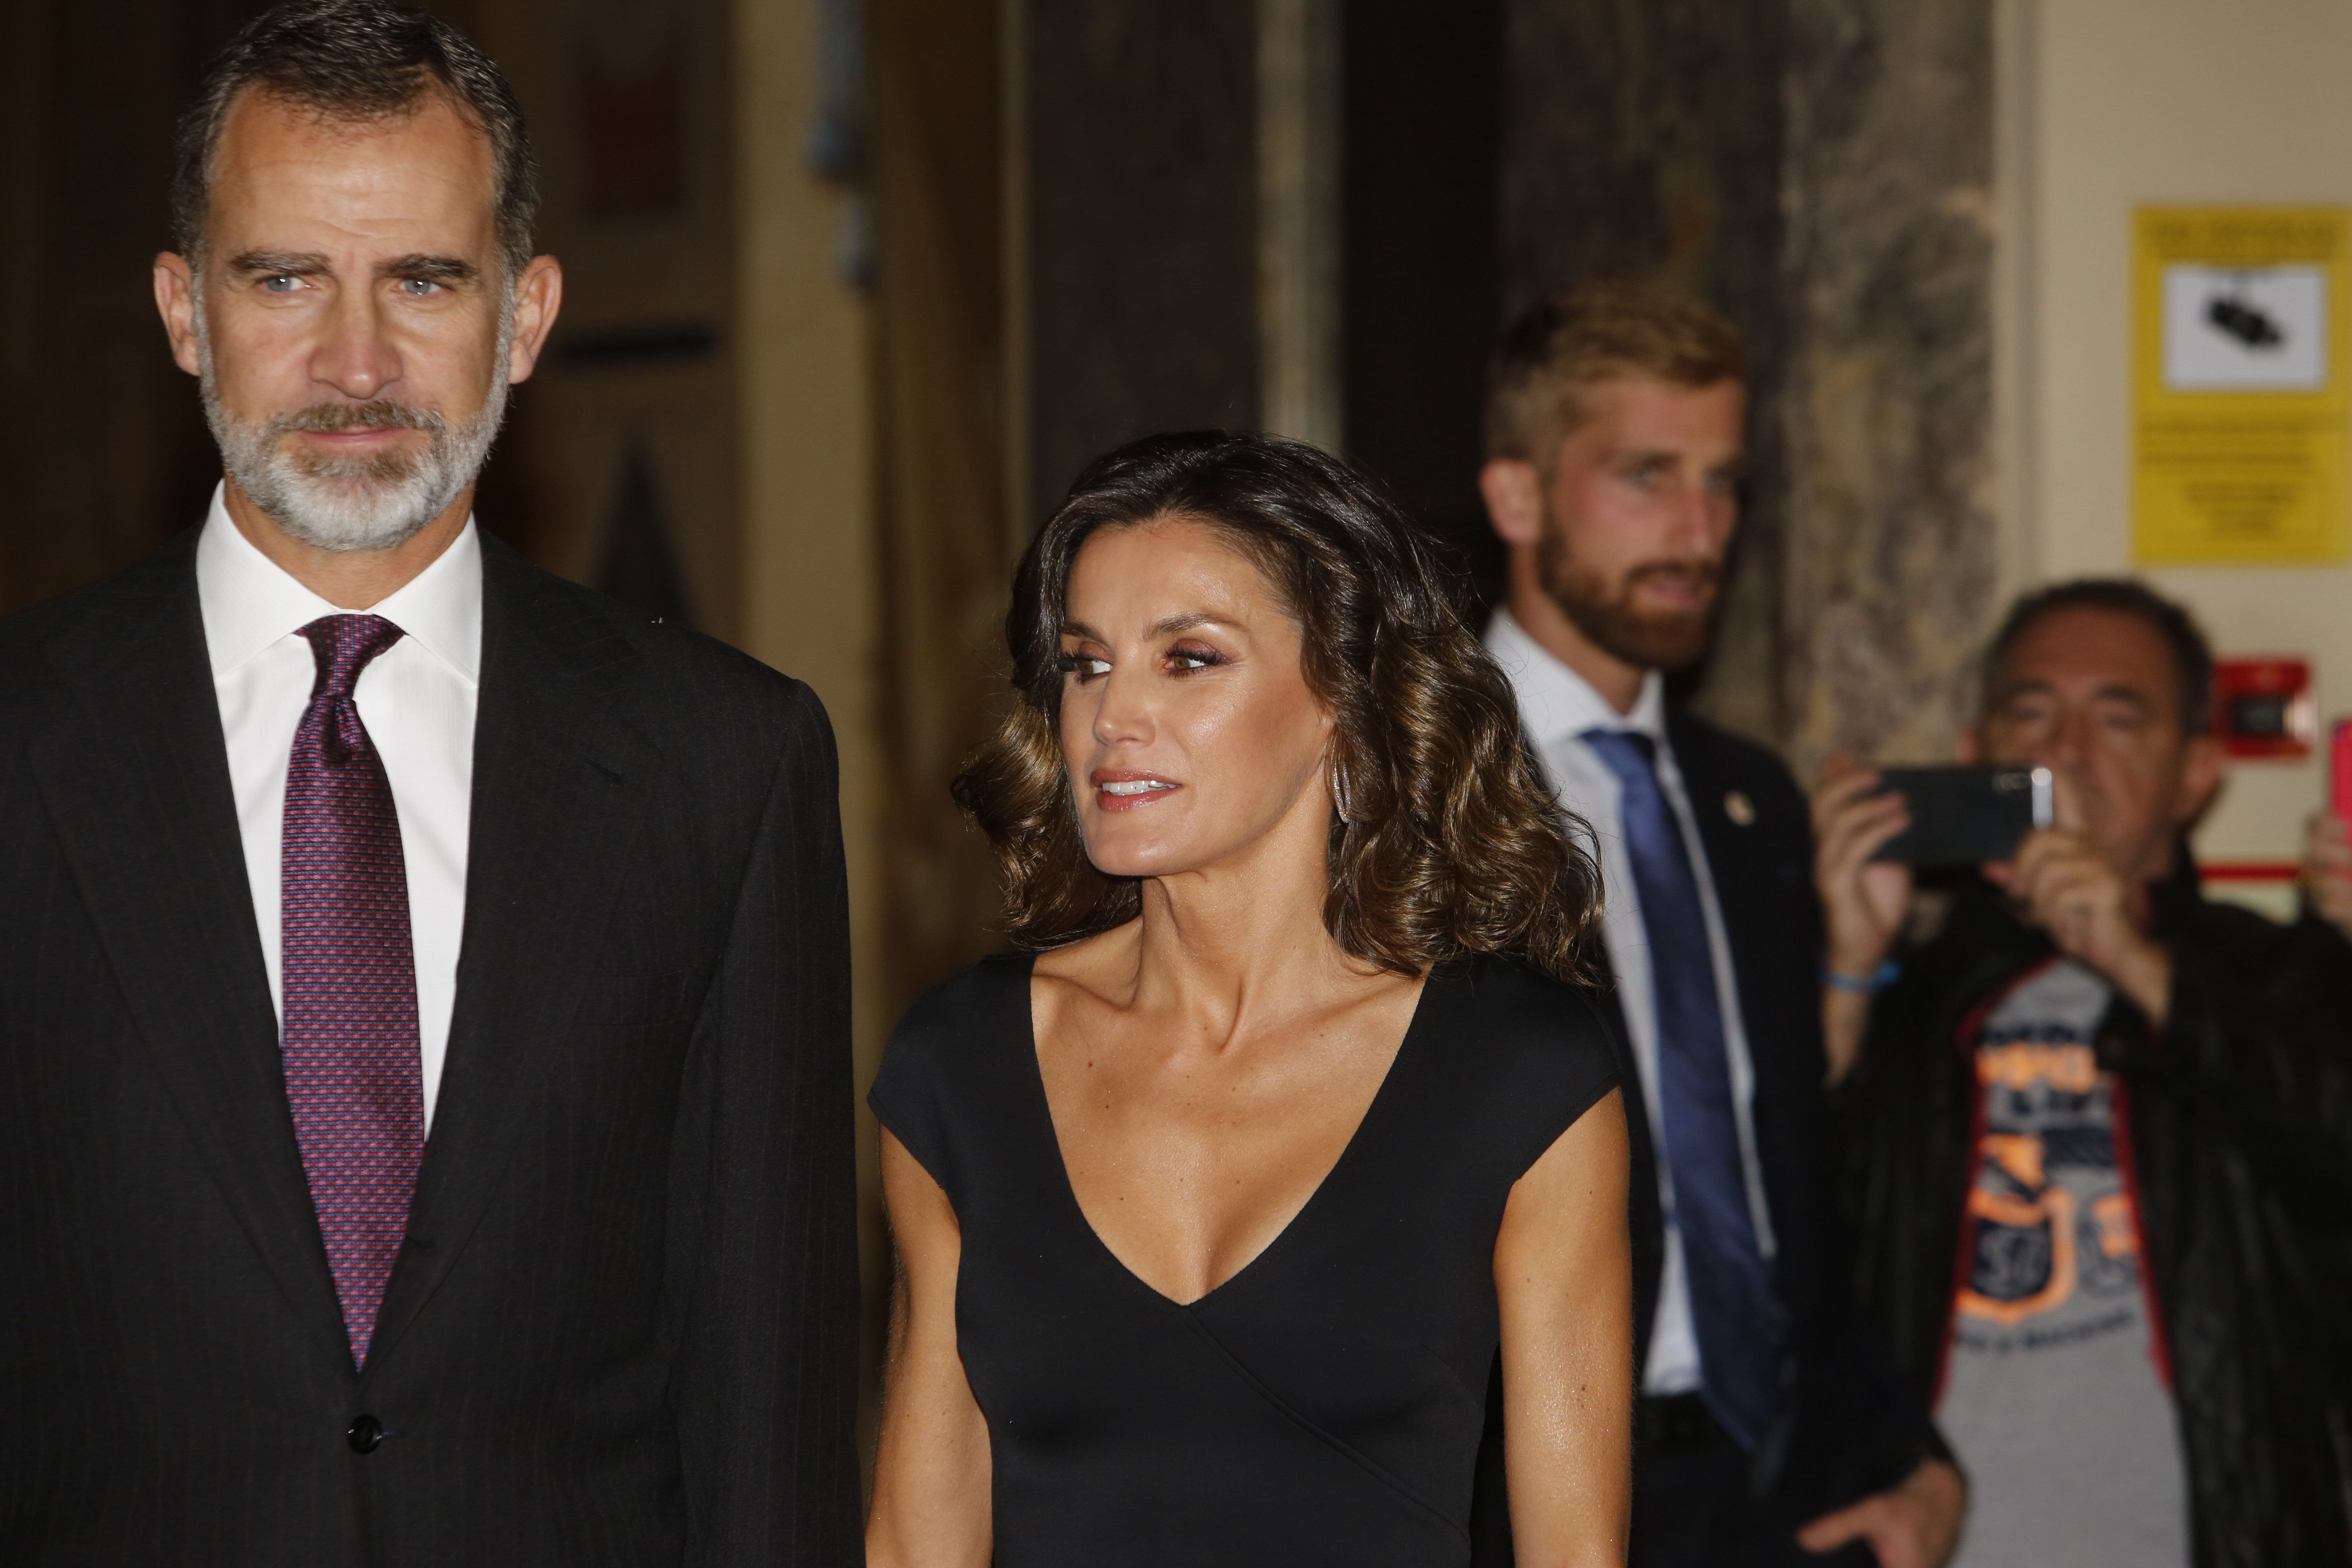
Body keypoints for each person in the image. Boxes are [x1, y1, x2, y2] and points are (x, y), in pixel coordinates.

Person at [0, 4, 858, 1561]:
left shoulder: (726, 768)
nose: (356, 364)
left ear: (525, 317)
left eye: (423, 279)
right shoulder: (22, 747)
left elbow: (768, 1415)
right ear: (184, 311)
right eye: (284, 279)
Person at [864, 431, 1635, 1568]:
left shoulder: (1518, 1076)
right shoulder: (962, 1067)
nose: (1113, 716)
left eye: (1188, 659)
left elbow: (1576, 1554)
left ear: (1343, 702)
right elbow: (915, 1541)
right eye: (1086, 664)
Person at [1476, 282, 1962, 1568]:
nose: (1699, 529)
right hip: (1526, 1487)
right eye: (1647, 476)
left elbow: (1776, 1156)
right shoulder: (1415, 796)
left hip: (1779, 1483)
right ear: (1518, 496)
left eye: (1723, 484)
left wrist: (1906, 1458)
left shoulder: (1747, 795)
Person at [1814, 579, 2352, 1568]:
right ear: (1975, 757)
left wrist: (2137, 965)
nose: (2065, 749)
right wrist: (1846, 969)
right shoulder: (1907, 993)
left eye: (2117, 719)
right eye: (2031, 714)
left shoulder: (2281, 977)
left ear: (2196, 773)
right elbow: (1785, 1237)